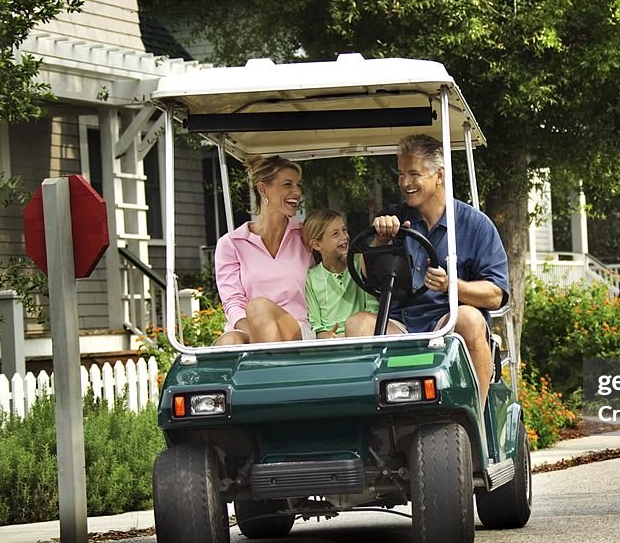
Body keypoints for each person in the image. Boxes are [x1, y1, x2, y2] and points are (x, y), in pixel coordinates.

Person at [345, 135, 509, 400]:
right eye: (401, 174)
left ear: (439, 175)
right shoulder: (393, 218)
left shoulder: (475, 225)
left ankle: (476, 417)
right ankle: (373, 421)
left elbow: (496, 295)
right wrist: (380, 240)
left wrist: (450, 286)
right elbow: (368, 278)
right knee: (356, 325)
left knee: (469, 317)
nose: (404, 183)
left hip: (447, 322)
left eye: (414, 174)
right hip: (401, 324)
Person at [214, 155, 313, 345]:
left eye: (297, 185)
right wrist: (259, 333)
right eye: (288, 184)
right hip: (250, 330)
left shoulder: (305, 236)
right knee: (229, 341)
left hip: (297, 330)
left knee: (259, 306)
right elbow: (233, 302)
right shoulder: (231, 243)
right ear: (262, 189)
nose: (297, 192)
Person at [302, 208, 379, 338]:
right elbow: (316, 326)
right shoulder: (311, 278)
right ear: (316, 245)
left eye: (344, 230)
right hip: (332, 344)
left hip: (363, 335)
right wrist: (326, 336)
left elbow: (373, 308)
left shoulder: (360, 263)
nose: (344, 237)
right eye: (335, 234)